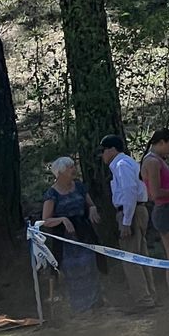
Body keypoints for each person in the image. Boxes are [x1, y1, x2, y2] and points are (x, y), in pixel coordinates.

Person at [99, 135, 156, 313]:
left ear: (112, 149)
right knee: (140, 255)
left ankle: (143, 300)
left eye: (103, 151)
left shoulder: (121, 165)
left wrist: (126, 221)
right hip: (137, 211)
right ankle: (150, 296)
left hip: (130, 212)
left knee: (130, 258)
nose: (102, 155)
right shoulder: (127, 163)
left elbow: (129, 191)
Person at [40, 156, 103, 316]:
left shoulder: (80, 187)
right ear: (60, 172)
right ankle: (81, 309)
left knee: (91, 266)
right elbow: (46, 220)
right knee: (74, 271)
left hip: (85, 234)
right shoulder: (51, 194)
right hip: (66, 239)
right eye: (69, 167)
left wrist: (93, 209)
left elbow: (90, 204)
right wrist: (62, 219)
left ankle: (97, 304)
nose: (73, 169)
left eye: (73, 166)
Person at [140, 129, 169, 272]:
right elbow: (155, 193)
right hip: (164, 211)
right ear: (161, 142)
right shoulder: (152, 161)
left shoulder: (158, 160)